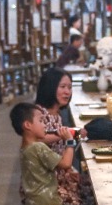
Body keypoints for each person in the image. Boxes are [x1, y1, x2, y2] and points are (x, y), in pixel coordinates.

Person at [35, 67, 88, 198]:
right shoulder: (38, 113)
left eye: (69, 88)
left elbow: (57, 134)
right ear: (50, 87)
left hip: (58, 174)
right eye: (62, 87)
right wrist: (69, 135)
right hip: (46, 182)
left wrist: (75, 133)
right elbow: (37, 139)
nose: (67, 92)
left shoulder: (56, 115)